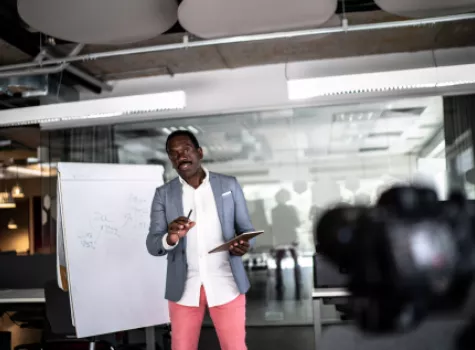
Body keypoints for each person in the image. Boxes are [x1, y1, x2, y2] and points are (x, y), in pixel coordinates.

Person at [146, 130, 255, 350]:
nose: (181, 156)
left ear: (199, 152)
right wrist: (171, 237)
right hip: (183, 288)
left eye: (186, 149)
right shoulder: (163, 194)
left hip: (226, 283)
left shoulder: (229, 185)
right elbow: (153, 244)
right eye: (174, 153)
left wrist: (242, 246)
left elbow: (246, 230)